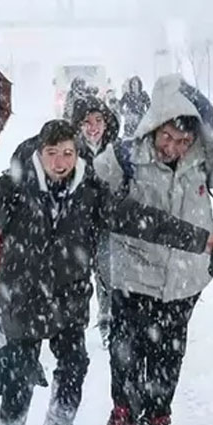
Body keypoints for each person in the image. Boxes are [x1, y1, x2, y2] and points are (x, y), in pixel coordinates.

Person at [0, 119, 213, 425]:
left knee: (74, 366)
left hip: (69, 299)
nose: (60, 162)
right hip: (23, 297)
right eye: (52, 154)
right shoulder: (15, 186)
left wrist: (197, 238)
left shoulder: (90, 193)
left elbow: (140, 219)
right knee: (20, 369)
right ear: (38, 155)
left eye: (68, 153)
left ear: (77, 155)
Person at [94, 75, 213, 425]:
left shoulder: (201, 160)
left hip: (184, 278)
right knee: (126, 349)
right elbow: (90, 193)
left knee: (168, 352)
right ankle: (122, 411)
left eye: (183, 141)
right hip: (133, 273)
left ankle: (158, 417)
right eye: (167, 137)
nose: (173, 147)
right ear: (153, 127)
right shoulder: (125, 157)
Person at [70, 95, 121, 348]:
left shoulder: (116, 150)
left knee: (107, 275)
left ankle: (107, 321)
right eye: (87, 122)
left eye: (98, 120)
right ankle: (74, 326)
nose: (93, 127)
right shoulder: (70, 151)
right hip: (77, 227)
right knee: (77, 278)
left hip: (106, 225)